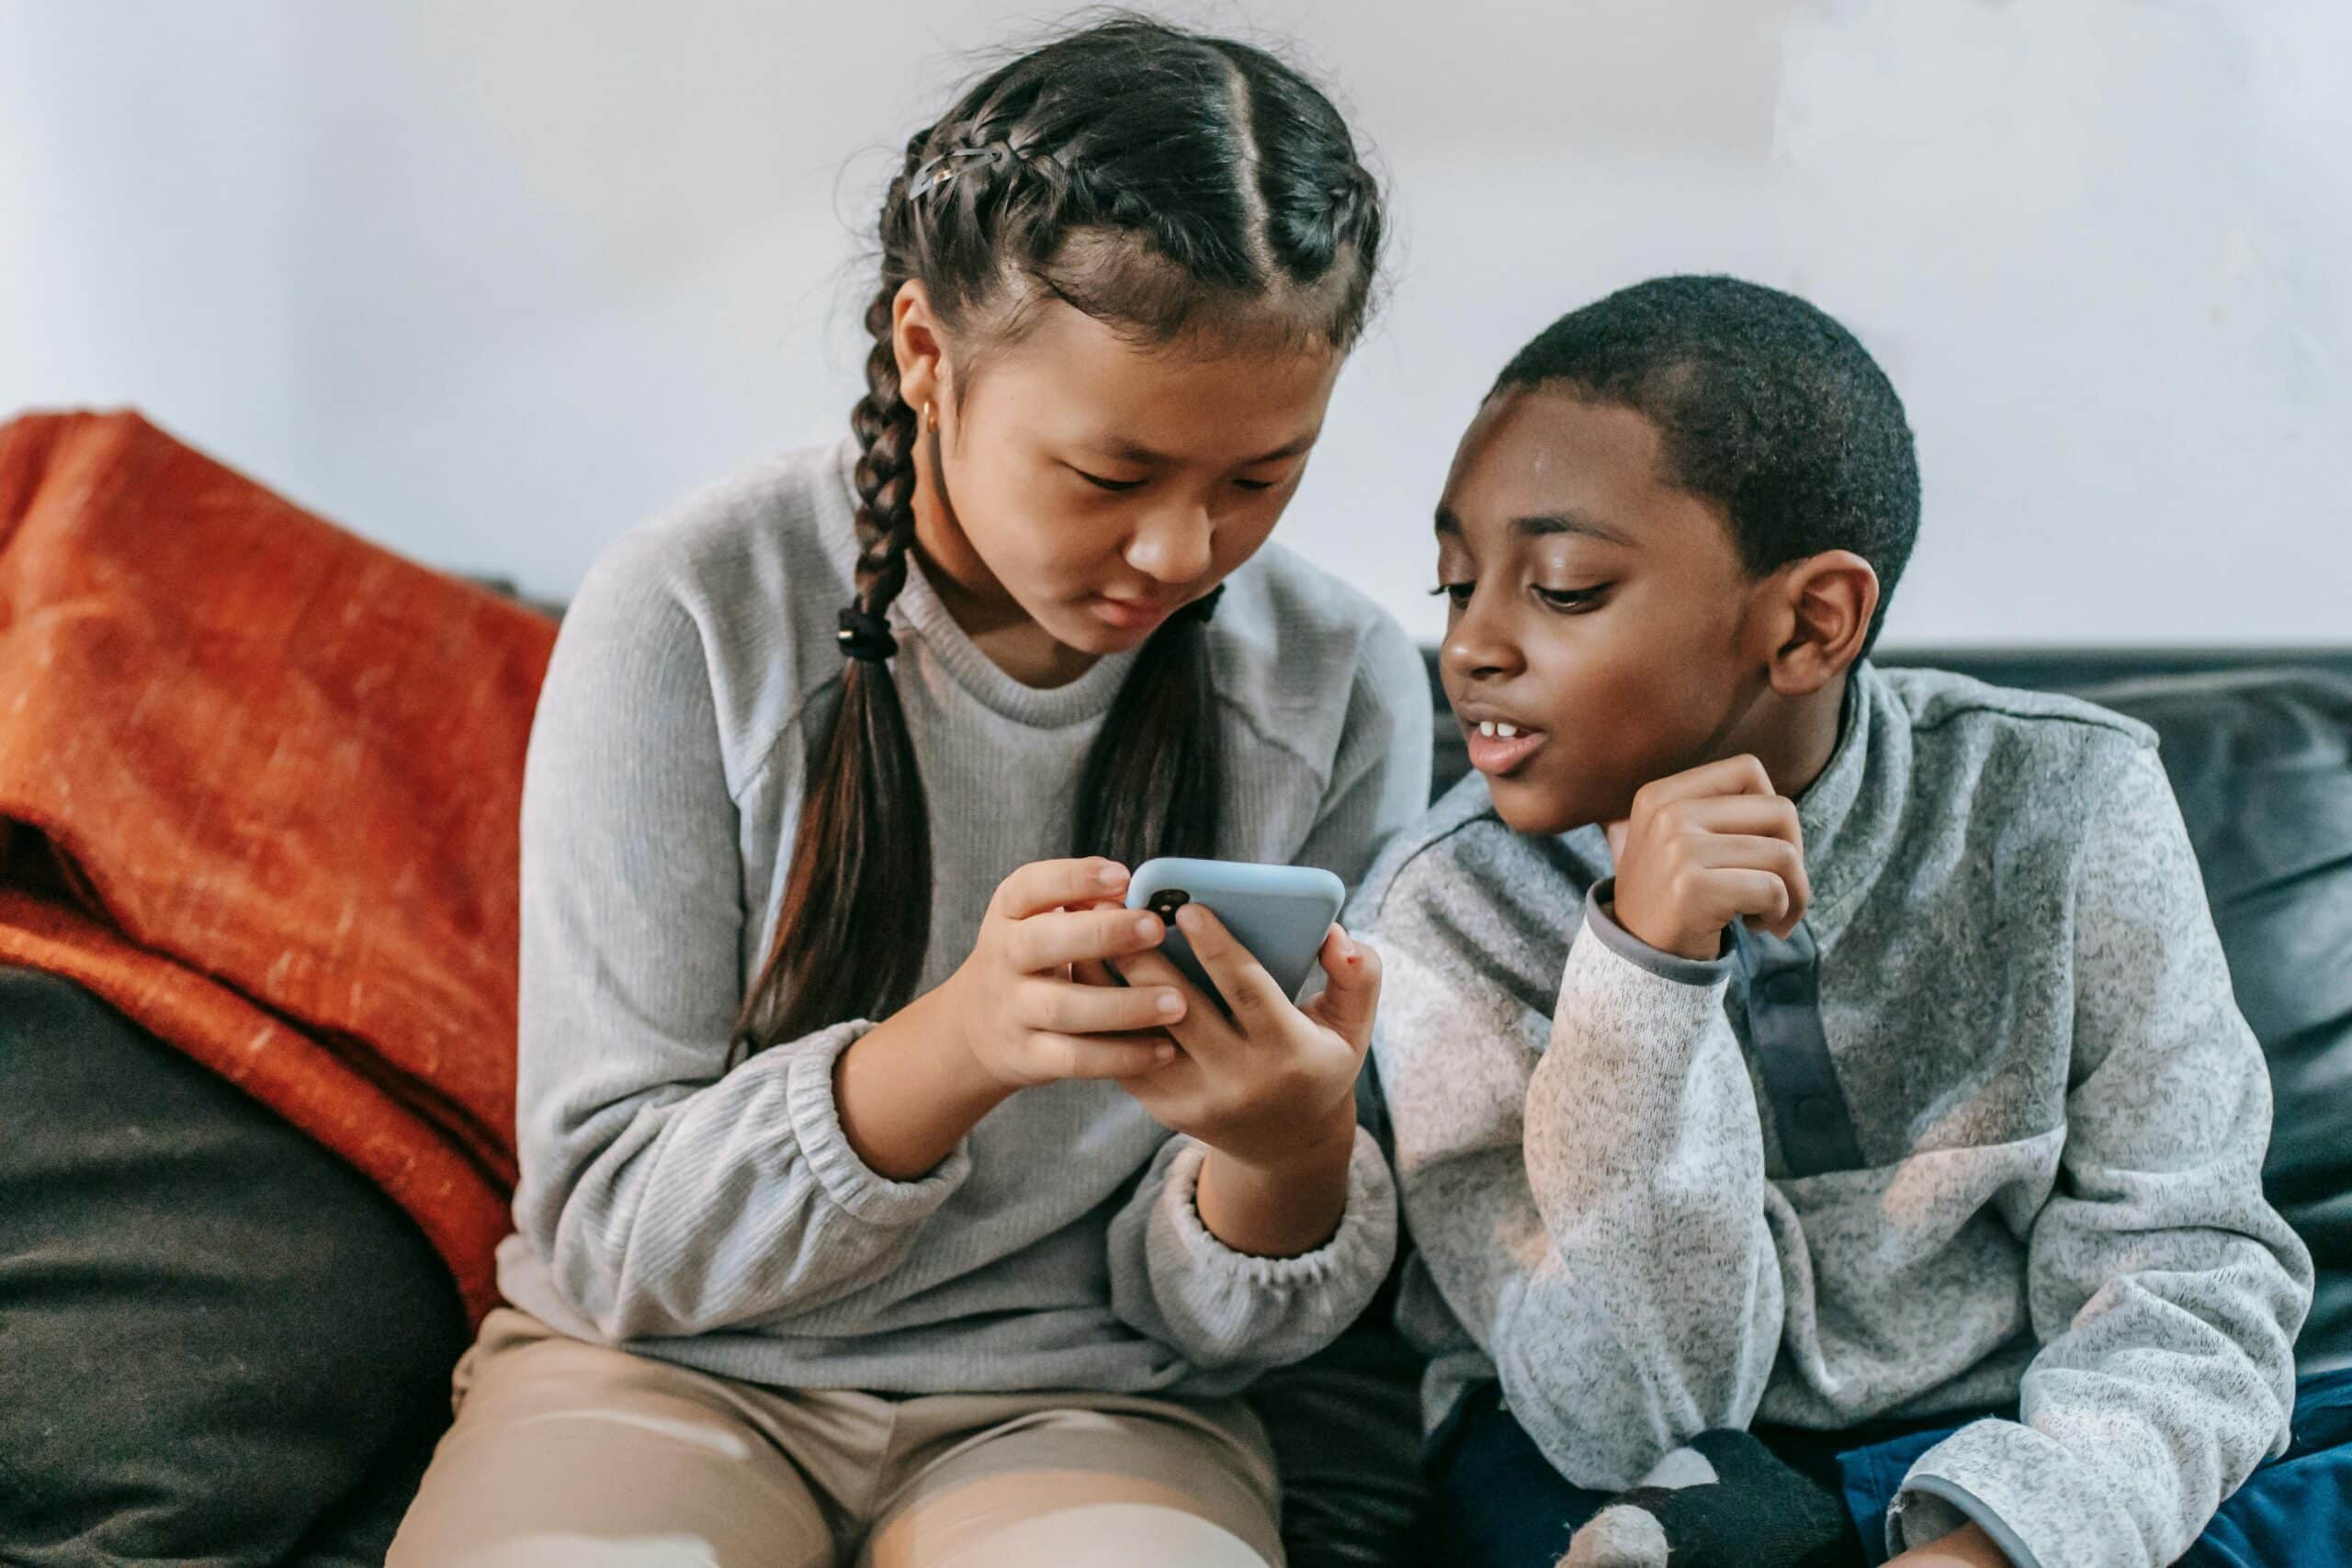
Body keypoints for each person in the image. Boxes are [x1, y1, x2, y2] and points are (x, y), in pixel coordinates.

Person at [390, 19, 1430, 1565]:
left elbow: (1228, 1325)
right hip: (663, 1372)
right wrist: (954, 1047)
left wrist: (1290, 1152)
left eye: (1256, 480)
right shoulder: (694, 612)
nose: (1181, 553)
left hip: (1096, 1406)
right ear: (928, 359)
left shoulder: (1337, 680)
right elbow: (612, 1228)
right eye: (1111, 476)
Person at [1357, 275, 2313, 1568]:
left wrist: (2004, 1535)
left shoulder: (2069, 800)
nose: (1472, 645)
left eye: (1565, 586)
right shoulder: (1443, 910)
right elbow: (1629, 1413)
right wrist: (1642, 981)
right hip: (1639, 1472)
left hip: (2014, 1436)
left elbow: (2192, 1269)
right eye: (1457, 586)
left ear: (1812, 624)